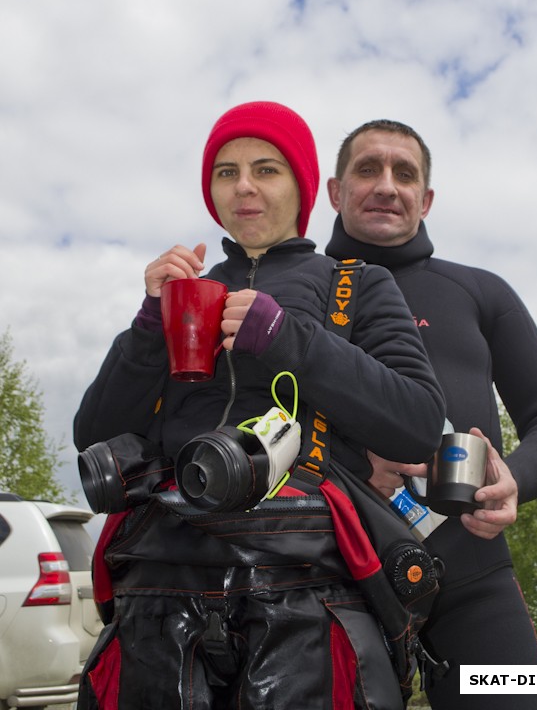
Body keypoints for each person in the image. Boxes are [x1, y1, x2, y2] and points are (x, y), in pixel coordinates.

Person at [73, 102, 446, 710]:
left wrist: (288, 339)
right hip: (160, 589)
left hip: (306, 588)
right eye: (226, 172)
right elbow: (92, 435)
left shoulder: (356, 282)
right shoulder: (182, 291)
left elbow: (417, 426)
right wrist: (149, 323)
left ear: (302, 185)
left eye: (266, 169)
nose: (243, 186)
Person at [325, 119, 537, 710]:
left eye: (405, 173)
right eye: (368, 169)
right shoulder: (299, 292)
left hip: (474, 577)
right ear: (335, 192)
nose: (387, 186)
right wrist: (348, 460)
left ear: (427, 199)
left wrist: (512, 478)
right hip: (329, 581)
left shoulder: (481, 291)